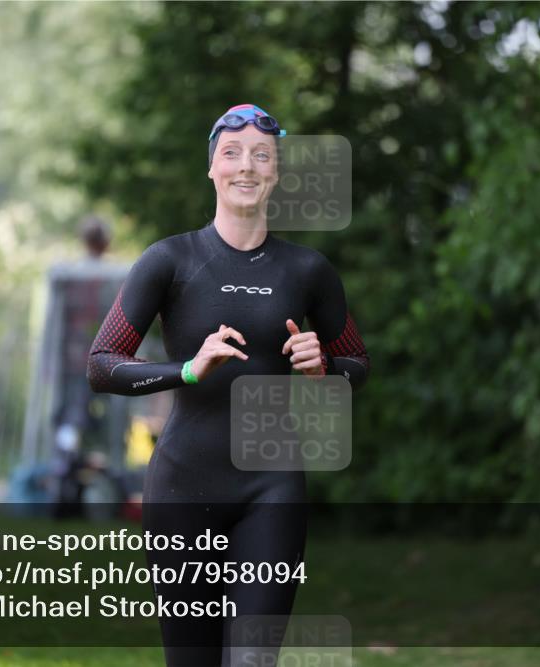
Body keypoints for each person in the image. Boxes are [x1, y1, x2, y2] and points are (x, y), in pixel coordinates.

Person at [86, 103, 369, 666]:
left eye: (262, 155)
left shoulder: (308, 271)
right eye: (232, 153)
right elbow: (101, 364)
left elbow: (357, 364)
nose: (246, 166)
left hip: (272, 489)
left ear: (276, 173)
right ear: (212, 168)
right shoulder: (168, 260)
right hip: (182, 487)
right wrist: (188, 369)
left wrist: (324, 366)